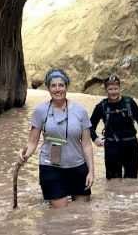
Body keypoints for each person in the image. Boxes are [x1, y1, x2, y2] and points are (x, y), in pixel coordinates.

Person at [17, 69, 95, 208]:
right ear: (47, 87)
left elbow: (87, 144)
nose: (57, 89)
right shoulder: (40, 111)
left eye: (61, 85)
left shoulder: (80, 111)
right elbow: (32, 141)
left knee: (82, 214)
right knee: (60, 214)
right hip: (51, 167)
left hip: (78, 167)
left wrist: (91, 171)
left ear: (66, 87)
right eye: (53, 85)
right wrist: (25, 155)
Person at [89, 75, 138, 179]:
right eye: (110, 89)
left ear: (120, 89)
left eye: (115, 88)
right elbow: (90, 126)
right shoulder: (101, 106)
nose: (113, 92)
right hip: (112, 146)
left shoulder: (129, 102)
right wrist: (95, 138)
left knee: (131, 180)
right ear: (106, 90)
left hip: (131, 145)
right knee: (113, 180)